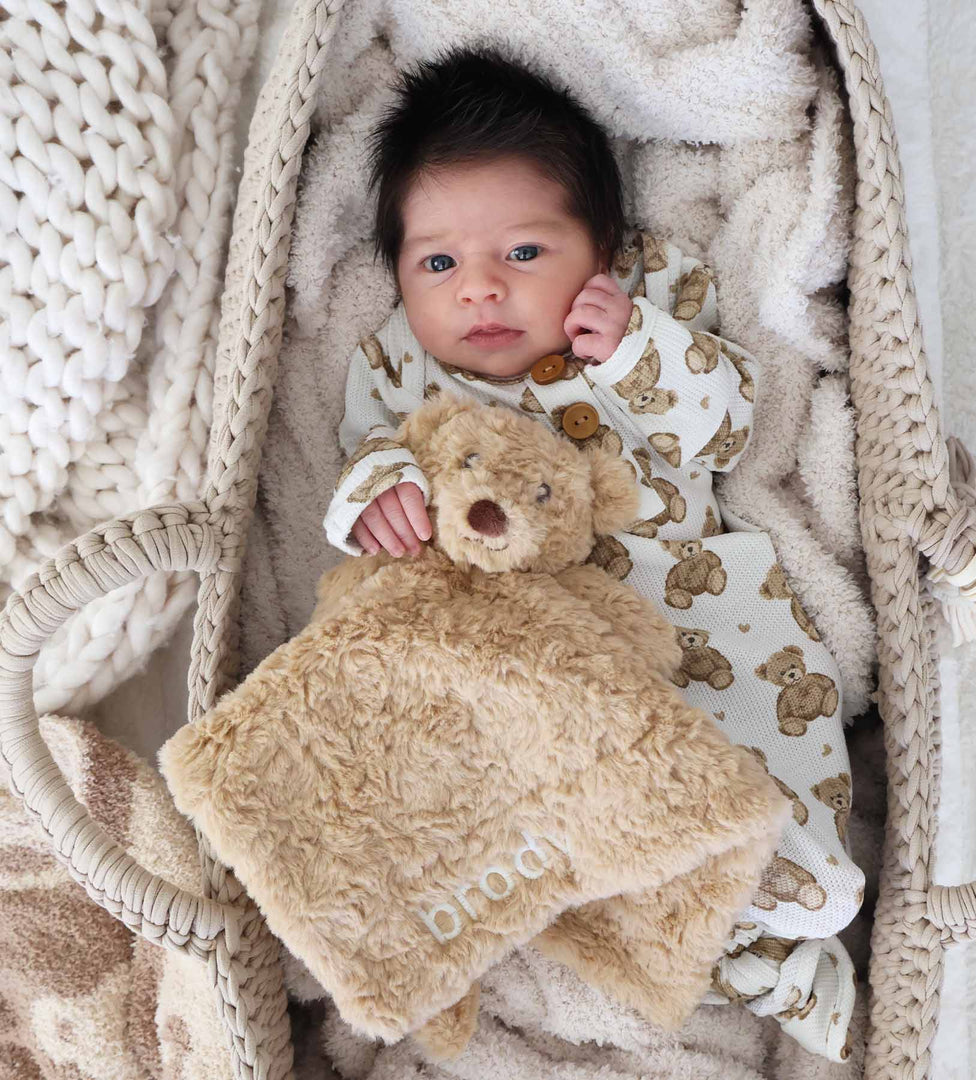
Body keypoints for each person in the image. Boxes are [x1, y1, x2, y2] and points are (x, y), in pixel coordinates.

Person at [322, 41, 861, 1062]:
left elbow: (730, 426)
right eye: (438, 263)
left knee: (775, 709)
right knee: (553, 793)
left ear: (602, 247)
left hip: (690, 602)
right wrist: (376, 504)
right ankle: (703, 926)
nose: (479, 290)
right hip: (546, 648)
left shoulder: (647, 300)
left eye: (523, 253)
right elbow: (368, 462)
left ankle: (781, 882)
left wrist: (639, 349)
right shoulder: (402, 363)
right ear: (399, 273)